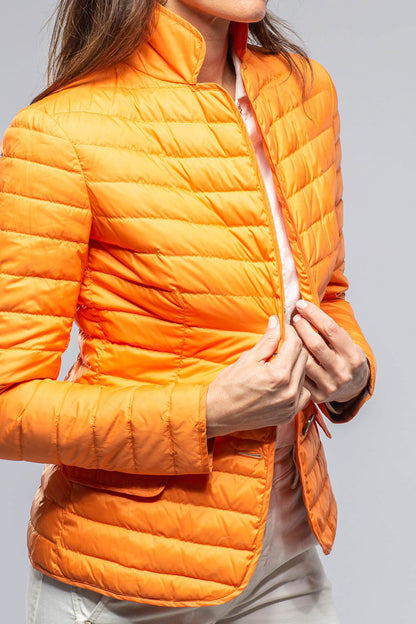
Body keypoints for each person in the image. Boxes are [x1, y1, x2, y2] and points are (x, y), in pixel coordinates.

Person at [0, 0, 376, 622]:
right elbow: (8, 404)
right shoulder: (60, 133)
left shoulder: (304, 92)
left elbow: (324, 290)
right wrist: (204, 413)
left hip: (285, 559)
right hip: (121, 577)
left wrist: (351, 377)